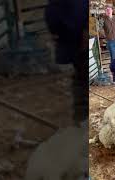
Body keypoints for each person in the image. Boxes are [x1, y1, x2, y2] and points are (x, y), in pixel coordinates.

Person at [44, 0, 88, 178]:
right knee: (79, 79)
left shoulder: (80, 11)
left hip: (79, 39)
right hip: (73, 40)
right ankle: (80, 134)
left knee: (83, 79)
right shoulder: (57, 7)